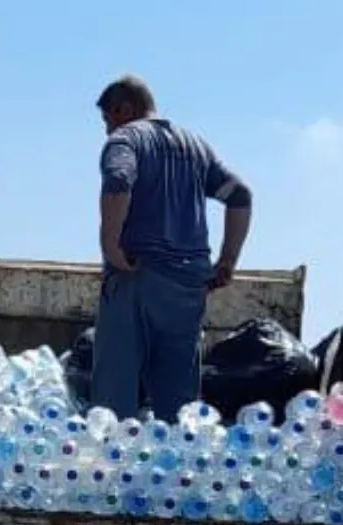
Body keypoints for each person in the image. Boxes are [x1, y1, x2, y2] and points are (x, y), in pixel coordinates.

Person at [90, 74, 253, 421]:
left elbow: (119, 180)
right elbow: (240, 196)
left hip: (137, 275)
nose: (107, 130)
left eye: (107, 119)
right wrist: (227, 261)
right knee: (179, 402)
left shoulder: (126, 139)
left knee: (113, 395)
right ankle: (176, 467)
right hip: (187, 284)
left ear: (124, 109)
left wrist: (111, 245)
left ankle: (109, 469)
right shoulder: (195, 146)